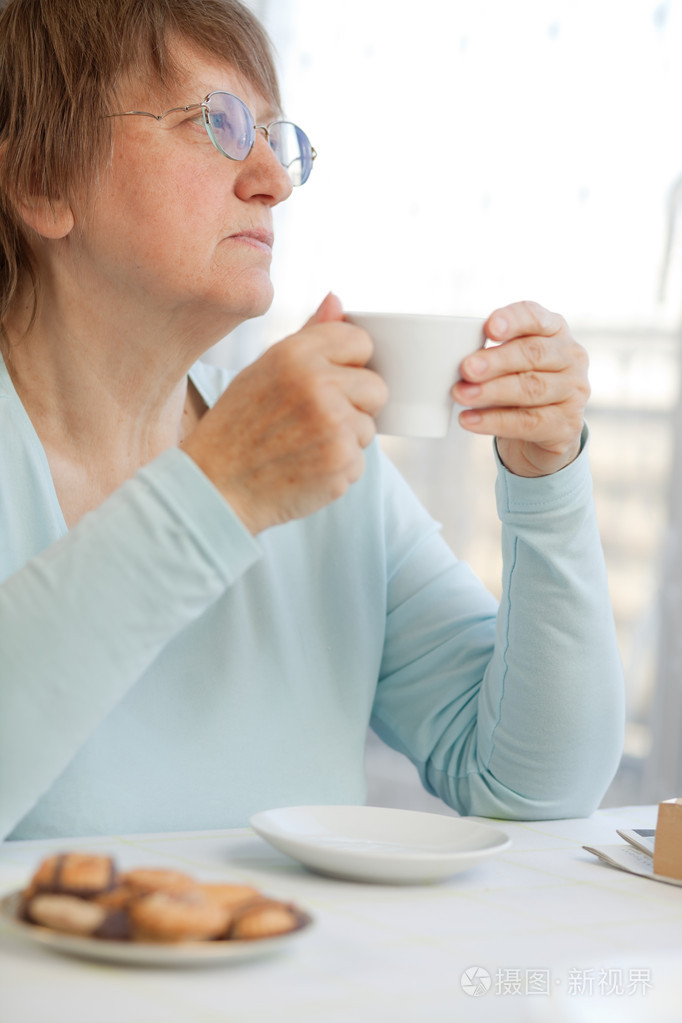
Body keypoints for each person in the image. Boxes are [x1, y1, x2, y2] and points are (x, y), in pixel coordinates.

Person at [0, 0, 624, 842]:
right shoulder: (275, 448)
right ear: (40, 181)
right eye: (217, 122)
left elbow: (532, 782)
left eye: (273, 135)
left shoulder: (319, 459)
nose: (275, 180)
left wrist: (548, 479)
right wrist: (219, 492)